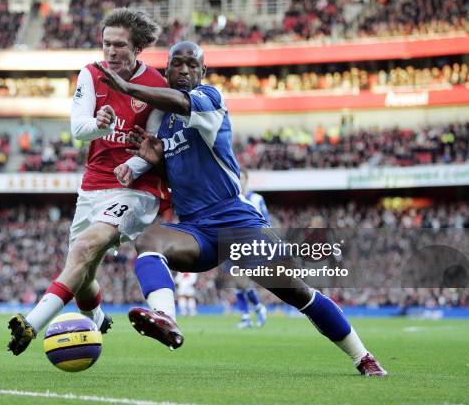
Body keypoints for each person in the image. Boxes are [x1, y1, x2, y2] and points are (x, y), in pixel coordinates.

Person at [95, 41, 387, 376]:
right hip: (196, 229)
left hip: (236, 221)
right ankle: (166, 319)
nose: (185, 71)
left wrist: (128, 86)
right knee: (148, 241)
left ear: (203, 72)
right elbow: (179, 178)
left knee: (297, 293)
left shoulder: (209, 99)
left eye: (193, 65)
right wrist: (156, 162)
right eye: (178, 64)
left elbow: (180, 101)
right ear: (168, 70)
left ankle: (362, 356)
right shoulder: (162, 125)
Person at [7, 8, 169, 355]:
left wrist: (136, 165)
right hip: (93, 183)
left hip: (135, 190)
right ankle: (97, 318)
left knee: (82, 250)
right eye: (106, 44)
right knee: (81, 273)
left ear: (138, 47)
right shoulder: (91, 74)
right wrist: (101, 123)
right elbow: (79, 130)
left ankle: (30, 326)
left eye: (120, 45)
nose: (111, 51)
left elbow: (153, 144)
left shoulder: (156, 84)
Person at [234, 170, 269, 328]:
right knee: (238, 283)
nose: (240, 181)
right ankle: (248, 316)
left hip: (252, 244)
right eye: (237, 178)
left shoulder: (256, 199)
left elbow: (265, 221)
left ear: (247, 180)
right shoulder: (232, 199)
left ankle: (255, 309)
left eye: (242, 178)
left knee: (243, 280)